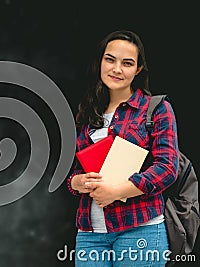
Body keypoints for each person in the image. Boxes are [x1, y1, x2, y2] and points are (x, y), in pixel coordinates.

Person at [67, 30, 179, 266]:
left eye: (127, 63)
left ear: (138, 69)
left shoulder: (156, 109)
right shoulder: (87, 113)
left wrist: (118, 192)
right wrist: (76, 183)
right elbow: (78, 170)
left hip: (140, 230)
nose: (117, 69)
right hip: (90, 233)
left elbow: (168, 168)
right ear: (100, 62)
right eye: (110, 59)